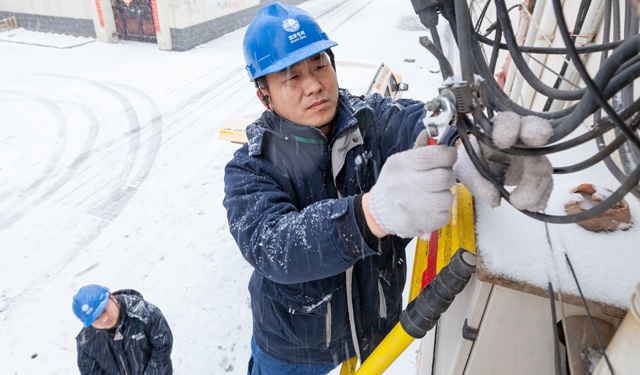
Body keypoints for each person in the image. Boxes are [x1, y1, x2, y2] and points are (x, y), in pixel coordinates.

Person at [223, 2, 553, 374]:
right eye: (291, 77)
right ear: (263, 95)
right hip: (296, 352)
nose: (314, 85)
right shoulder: (251, 166)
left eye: (320, 65)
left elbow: (417, 123)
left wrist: (469, 149)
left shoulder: (372, 120)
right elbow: (274, 246)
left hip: (373, 332)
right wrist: (369, 215)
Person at [72, 285, 173, 375]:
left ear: (112, 298)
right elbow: (91, 371)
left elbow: (162, 346)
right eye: (95, 318)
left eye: (104, 310)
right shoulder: (86, 342)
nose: (104, 319)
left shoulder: (145, 313)